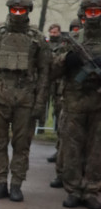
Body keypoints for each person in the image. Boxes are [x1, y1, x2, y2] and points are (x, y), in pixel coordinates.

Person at [0, 0, 50, 202]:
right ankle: (0, 182)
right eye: (14, 10)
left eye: (22, 10)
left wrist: (40, 103)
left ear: (28, 12)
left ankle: (16, 184)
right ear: (9, 10)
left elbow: (45, 73)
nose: (17, 14)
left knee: (22, 145)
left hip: (25, 99)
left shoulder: (36, 38)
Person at [51, 0, 101, 209]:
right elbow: (52, 69)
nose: (92, 16)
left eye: (96, 11)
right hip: (74, 101)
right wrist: (66, 60)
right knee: (72, 148)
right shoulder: (72, 40)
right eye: (89, 12)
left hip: (98, 102)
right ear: (83, 13)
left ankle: (91, 190)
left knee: (96, 150)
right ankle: (73, 189)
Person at [46, 23, 63, 165]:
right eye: (51, 31)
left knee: (60, 117)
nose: (53, 34)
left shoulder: (64, 46)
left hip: (59, 86)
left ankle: (60, 149)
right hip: (46, 84)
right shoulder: (44, 45)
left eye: (55, 32)